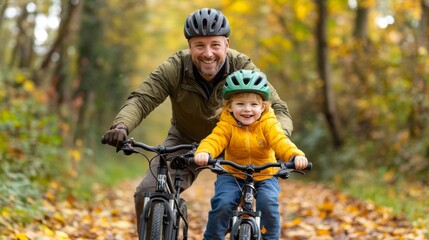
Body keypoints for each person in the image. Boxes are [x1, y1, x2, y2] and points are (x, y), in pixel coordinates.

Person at [102, 8, 295, 236]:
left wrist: (276, 135)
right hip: (185, 139)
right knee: (148, 192)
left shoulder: (243, 67)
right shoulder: (174, 68)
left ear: (226, 43)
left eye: (215, 45)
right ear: (189, 46)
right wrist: (121, 126)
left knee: (253, 203)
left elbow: (277, 107)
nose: (208, 54)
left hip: (237, 140)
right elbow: (142, 99)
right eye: (199, 45)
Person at [194, 69, 308, 239]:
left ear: (262, 107)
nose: (247, 110)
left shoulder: (268, 124)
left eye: (253, 104)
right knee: (222, 204)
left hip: (265, 175)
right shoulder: (227, 124)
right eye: (240, 104)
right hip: (232, 174)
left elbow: (280, 141)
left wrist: (295, 155)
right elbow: (215, 140)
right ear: (230, 107)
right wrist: (204, 152)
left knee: (268, 204)